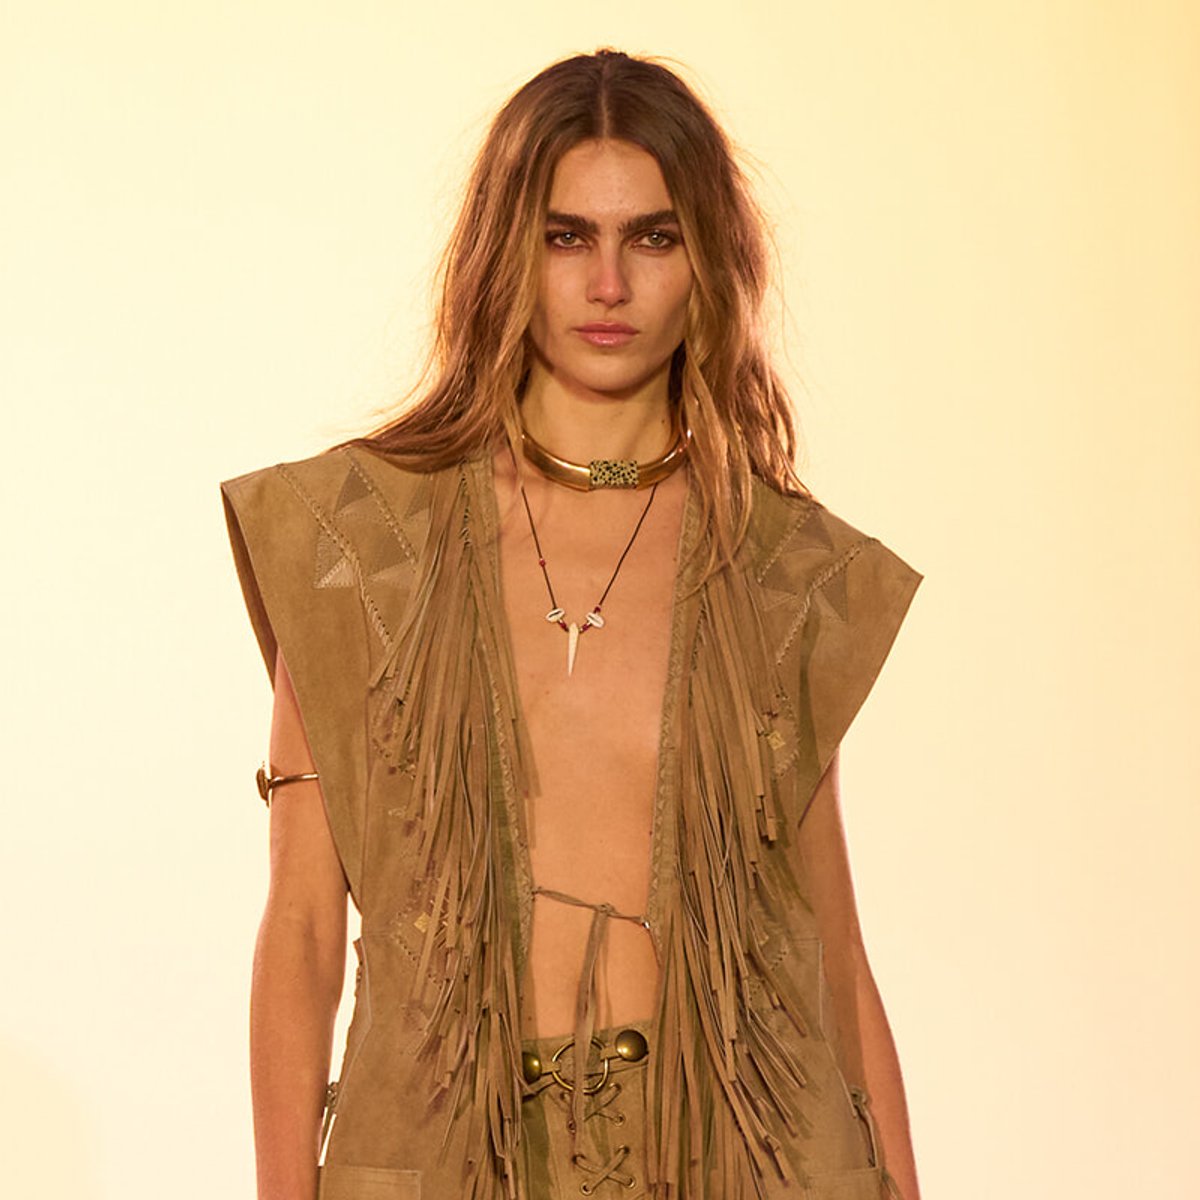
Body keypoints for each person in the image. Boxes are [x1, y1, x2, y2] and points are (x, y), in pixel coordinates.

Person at [221, 48, 923, 1200]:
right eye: (566, 236)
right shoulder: (356, 543)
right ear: (507, 253)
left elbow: (831, 952)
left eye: (652, 236)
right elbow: (300, 935)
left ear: (712, 262)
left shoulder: (778, 570)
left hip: (747, 1161)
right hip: (436, 1162)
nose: (609, 283)